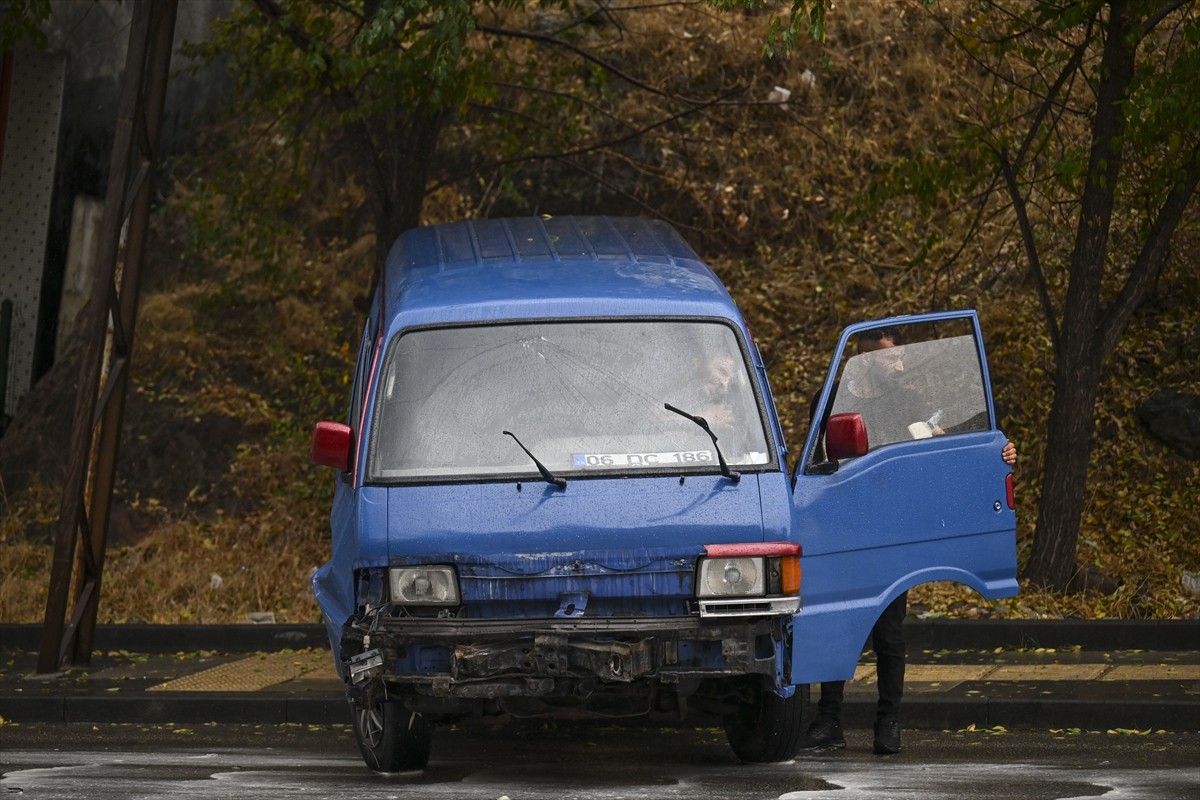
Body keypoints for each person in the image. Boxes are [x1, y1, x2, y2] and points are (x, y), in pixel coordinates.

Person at [799, 326, 1018, 755]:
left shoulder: (908, 401)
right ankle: (829, 721)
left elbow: (940, 448)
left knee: (889, 631)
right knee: (836, 624)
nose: (900, 367)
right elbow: (817, 460)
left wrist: (997, 454)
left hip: (891, 529)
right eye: (890, 359)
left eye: (901, 358)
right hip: (844, 526)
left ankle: (889, 721)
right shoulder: (830, 399)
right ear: (864, 359)